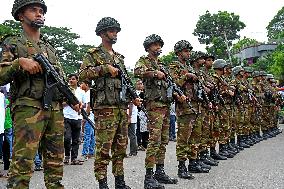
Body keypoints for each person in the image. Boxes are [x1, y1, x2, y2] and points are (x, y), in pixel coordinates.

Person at [0, 0, 80, 188]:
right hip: (28, 108)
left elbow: (59, 80)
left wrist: (72, 99)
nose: (39, 14)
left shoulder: (49, 47)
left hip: (55, 110)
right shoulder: (12, 43)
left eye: (41, 11)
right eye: (33, 10)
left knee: (55, 165)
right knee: (23, 164)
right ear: (20, 15)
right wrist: (19, 62)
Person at [79, 17, 141, 189]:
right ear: (102, 33)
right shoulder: (92, 55)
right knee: (104, 149)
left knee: (121, 148)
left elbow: (126, 81)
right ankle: (103, 184)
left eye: (116, 31)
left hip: (121, 107)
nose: (115, 34)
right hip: (104, 108)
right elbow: (83, 75)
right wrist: (104, 68)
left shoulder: (119, 57)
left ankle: (120, 182)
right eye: (112, 31)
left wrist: (134, 97)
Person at [134, 34, 178, 189]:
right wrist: (153, 73)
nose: (158, 47)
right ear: (148, 47)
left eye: (159, 44)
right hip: (154, 106)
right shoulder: (144, 61)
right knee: (154, 140)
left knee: (164, 140)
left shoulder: (162, 64)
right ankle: (148, 176)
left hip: (165, 105)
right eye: (155, 45)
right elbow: (137, 71)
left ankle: (160, 171)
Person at [168, 40, 197, 179]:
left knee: (193, 136)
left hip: (193, 105)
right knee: (183, 138)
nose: (188, 53)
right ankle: (181, 167)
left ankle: (193, 162)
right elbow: (174, 84)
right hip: (183, 106)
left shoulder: (189, 66)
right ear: (179, 53)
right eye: (186, 51)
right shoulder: (174, 66)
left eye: (189, 51)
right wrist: (186, 76)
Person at [80, 80, 95, 160]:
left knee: (87, 135)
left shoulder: (88, 93)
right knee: (92, 135)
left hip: (89, 117)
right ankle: (91, 152)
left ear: (86, 84)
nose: (81, 85)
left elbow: (88, 105)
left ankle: (85, 153)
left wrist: (85, 117)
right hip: (92, 116)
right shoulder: (87, 93)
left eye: (82, 83)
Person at [136, 80, 149, 151]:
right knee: (138, 129)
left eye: (141, 84)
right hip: (138, 113)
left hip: (145, 113)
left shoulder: (145, 93)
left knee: (145, 129)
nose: (140, 85)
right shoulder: (135, 93)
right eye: (138, 84)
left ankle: (145, 144)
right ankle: (139, 143)